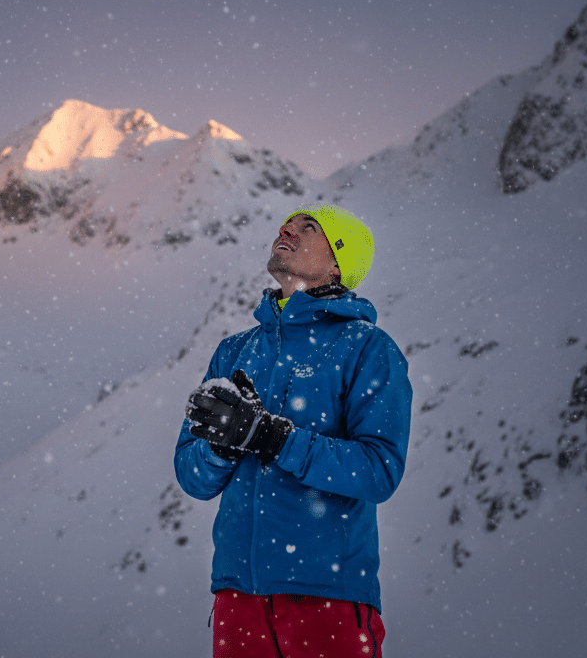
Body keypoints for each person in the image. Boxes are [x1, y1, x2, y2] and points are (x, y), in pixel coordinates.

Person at [174, 203, 412, 658]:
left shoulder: (366, 348)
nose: (289, 229)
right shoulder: (235, 350)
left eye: (310, 228)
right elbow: (191, 475)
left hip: (329, 596)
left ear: (338, 264)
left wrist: (272, 438)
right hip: (237, 598)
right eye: (288, 223)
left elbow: (379, 470)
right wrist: (222, 448)